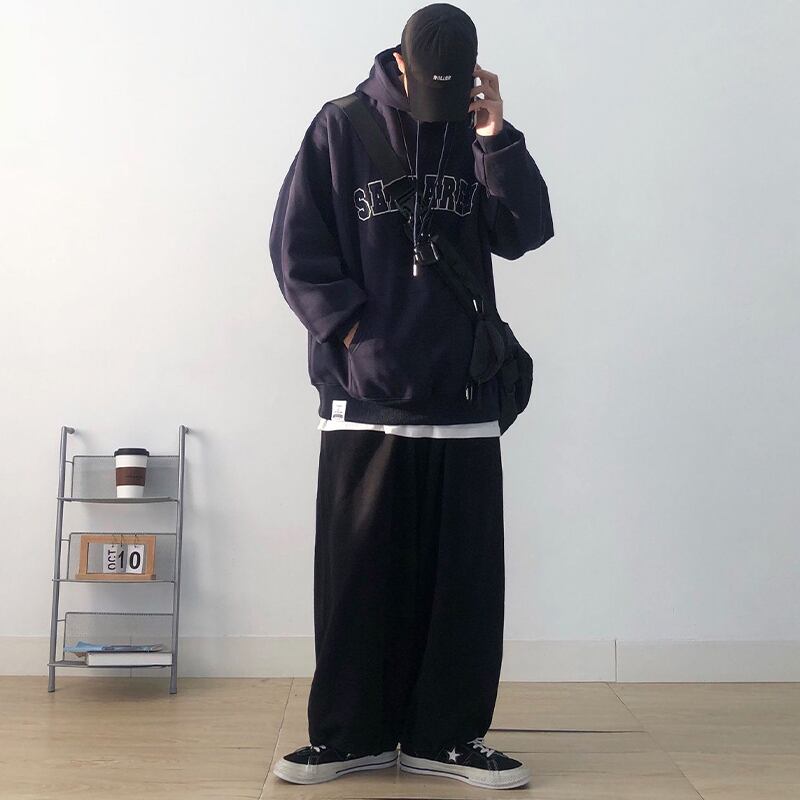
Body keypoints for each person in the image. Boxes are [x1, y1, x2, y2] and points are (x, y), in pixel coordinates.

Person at [268, 2, 553, 790]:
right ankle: (349, 736)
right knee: (357, 578)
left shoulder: (474, 132)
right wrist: (355, 334)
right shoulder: (340, 127)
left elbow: (523, 232)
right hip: (364, 401)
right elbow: (295, 248)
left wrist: (496, 138)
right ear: (398, 63)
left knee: (463, 584)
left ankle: (446, 738)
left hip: (461, 396)